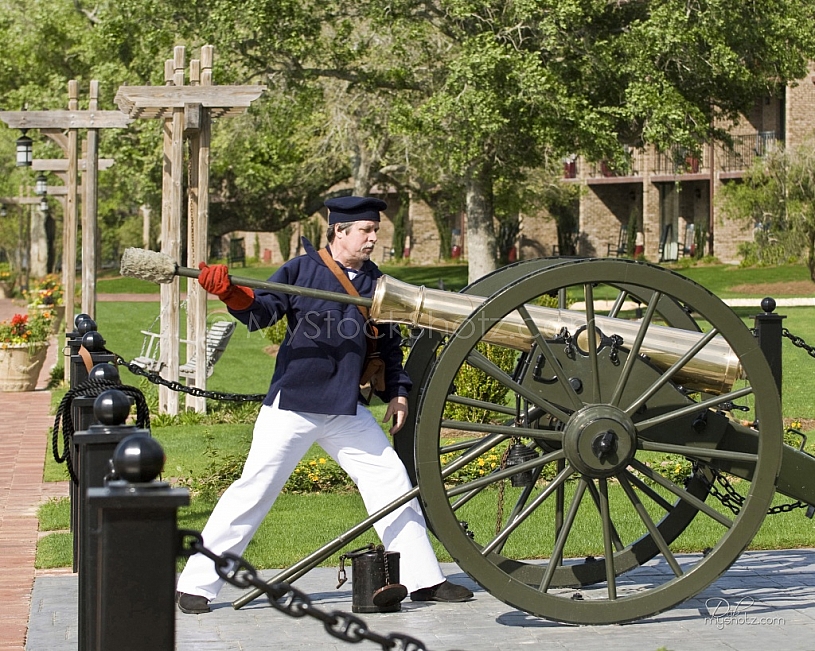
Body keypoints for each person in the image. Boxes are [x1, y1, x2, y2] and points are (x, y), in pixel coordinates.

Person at [176, 196, 473, 614]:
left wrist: (399, 392)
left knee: (391, 483)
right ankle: (197, 585)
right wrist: (230, 293)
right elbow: (261, 313)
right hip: (293, 405)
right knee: (253, 492)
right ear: (339, 231)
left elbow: (388, 346)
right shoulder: (300, 270)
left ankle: (424, 580)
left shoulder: (378, 284)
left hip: (346, 409)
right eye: (365, 230)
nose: (373, 238)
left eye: (375, 230)